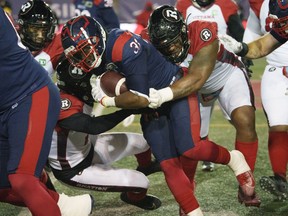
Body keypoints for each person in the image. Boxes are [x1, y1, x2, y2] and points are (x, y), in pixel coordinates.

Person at [61, 14, 259, 215]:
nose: (83, 58)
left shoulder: (124, 46)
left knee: (190, 149)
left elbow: (141, 98)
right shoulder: (94, 58)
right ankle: (193, 212)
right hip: (148, 105)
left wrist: (107, 100)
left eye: (86, 49)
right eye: (77, 55)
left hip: (172, 90)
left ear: (97, 39)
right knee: (168, 164)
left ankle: (234, 159)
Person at [0, 6, 93, 216]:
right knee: (4, 185)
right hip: (6, 103)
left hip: (28, 94)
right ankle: (64, 206)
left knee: (22, 179)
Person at [47, 57, 162, 210]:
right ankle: (133, 197)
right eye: (89, 79)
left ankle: (146, 166)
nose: (94, 81)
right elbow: (93, 126)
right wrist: (130, 110)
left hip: (87, 148)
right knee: (141, 182)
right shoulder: (63, 104)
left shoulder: (69, 91)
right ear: (77, 84)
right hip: (74, 169)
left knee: (142, 143)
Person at [175, 0, 252, 172]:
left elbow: (238, 33)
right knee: (196, 130)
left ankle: (246, 176)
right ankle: (205, 156)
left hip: (225, 68)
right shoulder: (182, 5)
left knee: (243, 121)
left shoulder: (226, 5)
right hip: (197, 71)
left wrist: (245, 56)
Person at [223, 0, 288, 201]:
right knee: (279, 126)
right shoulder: (280, 27)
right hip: (278, 70)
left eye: (283, 21)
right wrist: (241, 48)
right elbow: (262, 45)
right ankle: (280, 181)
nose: (280, 26)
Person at [17, 0, 63, 79]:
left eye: (44, 30)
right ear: (22, 27)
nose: (40, 35)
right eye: (34, 30)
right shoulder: (11, 39)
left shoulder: (56, 43)